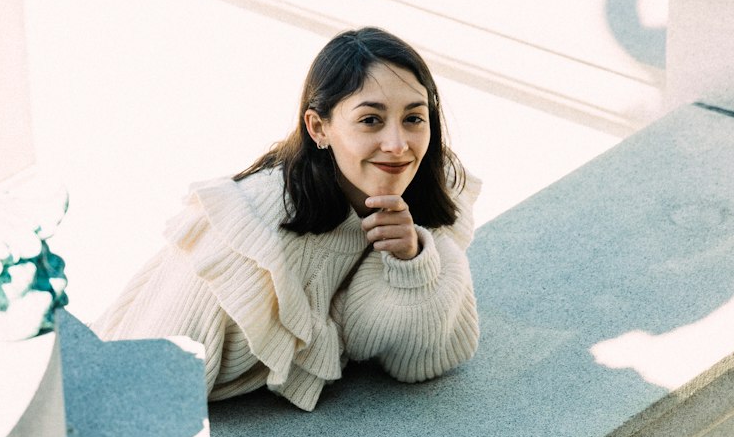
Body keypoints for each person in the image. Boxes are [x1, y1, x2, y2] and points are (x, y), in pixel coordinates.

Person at [94, 28, 480, 411]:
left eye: (414, 118)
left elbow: (423, 360)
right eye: (370, 121)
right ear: (318, 127)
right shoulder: (252, 229)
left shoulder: (430, 189)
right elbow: (134, 380)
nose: (398, 145)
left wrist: (411, 260)